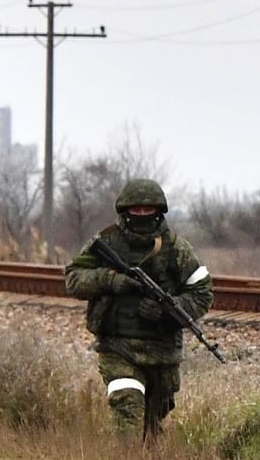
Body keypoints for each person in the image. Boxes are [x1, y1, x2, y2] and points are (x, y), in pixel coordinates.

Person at [63, 178, 214, 437]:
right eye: (136, 209)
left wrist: (169, 309)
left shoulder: (177, 249)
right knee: (127, 409)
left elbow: (202, 293)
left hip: (162, 352)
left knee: (154, 421)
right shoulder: (106, 242)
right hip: (117, 347)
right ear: (125, 211)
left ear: (159, 211)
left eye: (149, 210)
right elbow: (73, 279)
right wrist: (110, 280)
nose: (142, 214)